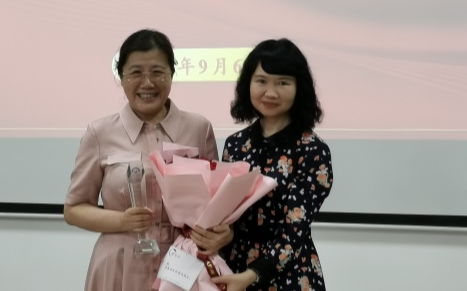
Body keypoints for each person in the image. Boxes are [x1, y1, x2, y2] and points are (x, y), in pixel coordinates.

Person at [64, 29, 232, 291]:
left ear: (172, 74)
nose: (147, 83)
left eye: (157, 72)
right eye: (136, 73)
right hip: (119, 266)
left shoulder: (199, 128)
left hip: (182, 267)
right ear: (121, 77)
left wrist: (224, 233)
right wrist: (122, 221)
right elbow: (74, 209)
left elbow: (214, 206)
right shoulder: (100, 133)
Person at [212, 38, 334, 291]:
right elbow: (226, 212)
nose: (270, 92)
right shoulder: (236, 144)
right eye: (261, 81)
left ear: (299, 88)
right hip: (235, 269)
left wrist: (253, 275)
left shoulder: (313, 150)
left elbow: (294, 230)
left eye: (283, 82)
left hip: (290, 274)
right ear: (248, 84)